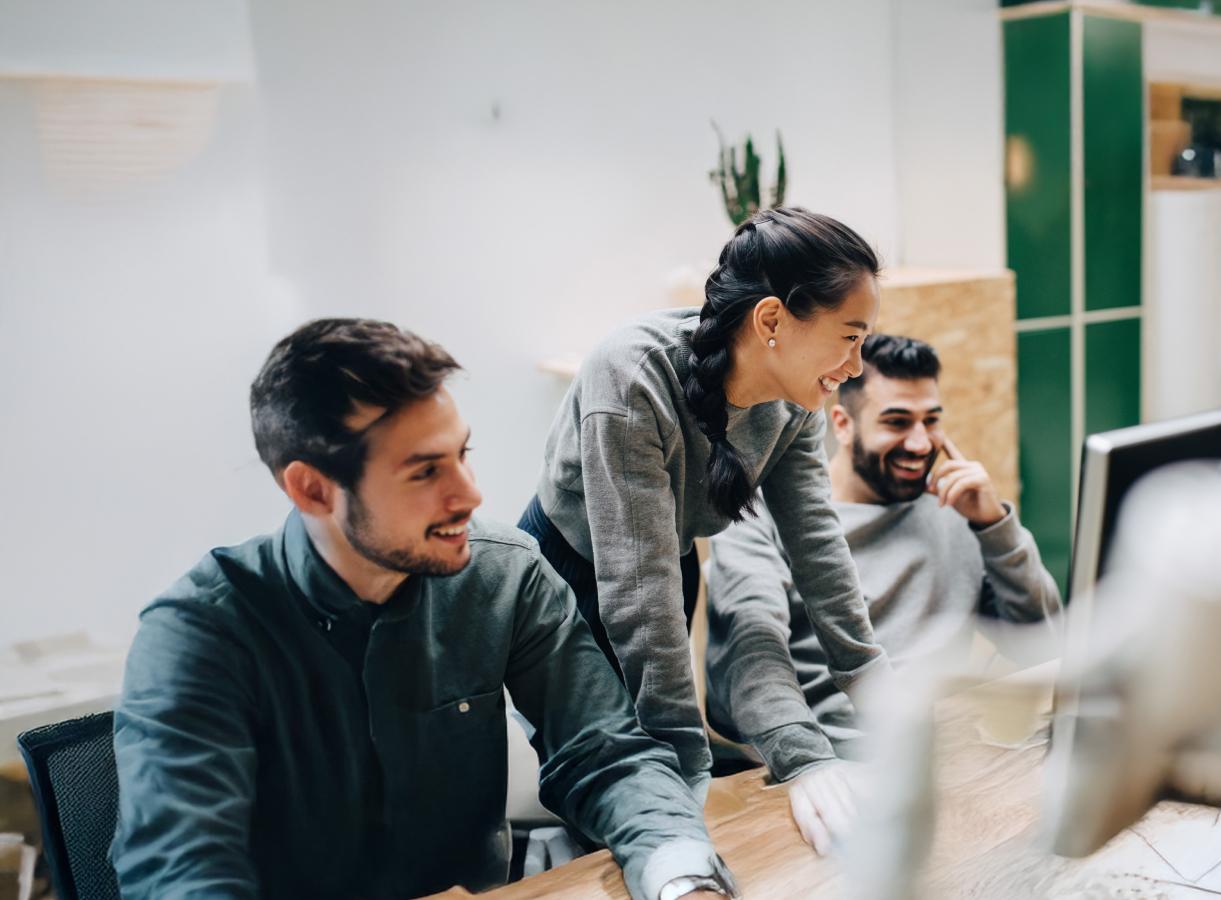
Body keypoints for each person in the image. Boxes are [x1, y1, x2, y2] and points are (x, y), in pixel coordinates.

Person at [112, 319, 734, 900]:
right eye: (425, 471)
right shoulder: (197, 634)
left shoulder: (504, 573)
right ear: (311, 488)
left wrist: (681, 876)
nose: (469, 493)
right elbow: (182, 873)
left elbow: (606, 753)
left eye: (462, 454)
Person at [516, 207, 890, 808]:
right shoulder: (632, 376)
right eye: (849, 336)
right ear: (772, 319)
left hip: (667, 561)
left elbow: (816, 545)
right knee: (606, 777)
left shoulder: (795, 403)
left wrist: (875, 689)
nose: (855, 365)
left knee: (664, 764)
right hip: (567, 579)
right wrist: (686, 774)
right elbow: (638, 585)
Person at [705, 334, 1061, 853]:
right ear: (842, 425)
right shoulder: (761, 520)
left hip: (952, 773)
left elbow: (1047, 645)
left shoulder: (957, 510)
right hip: (826, 785)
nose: (921, 444)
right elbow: (744, 667)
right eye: (897, 422)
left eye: (932, 421)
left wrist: (995, 526)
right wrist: (820, 764)